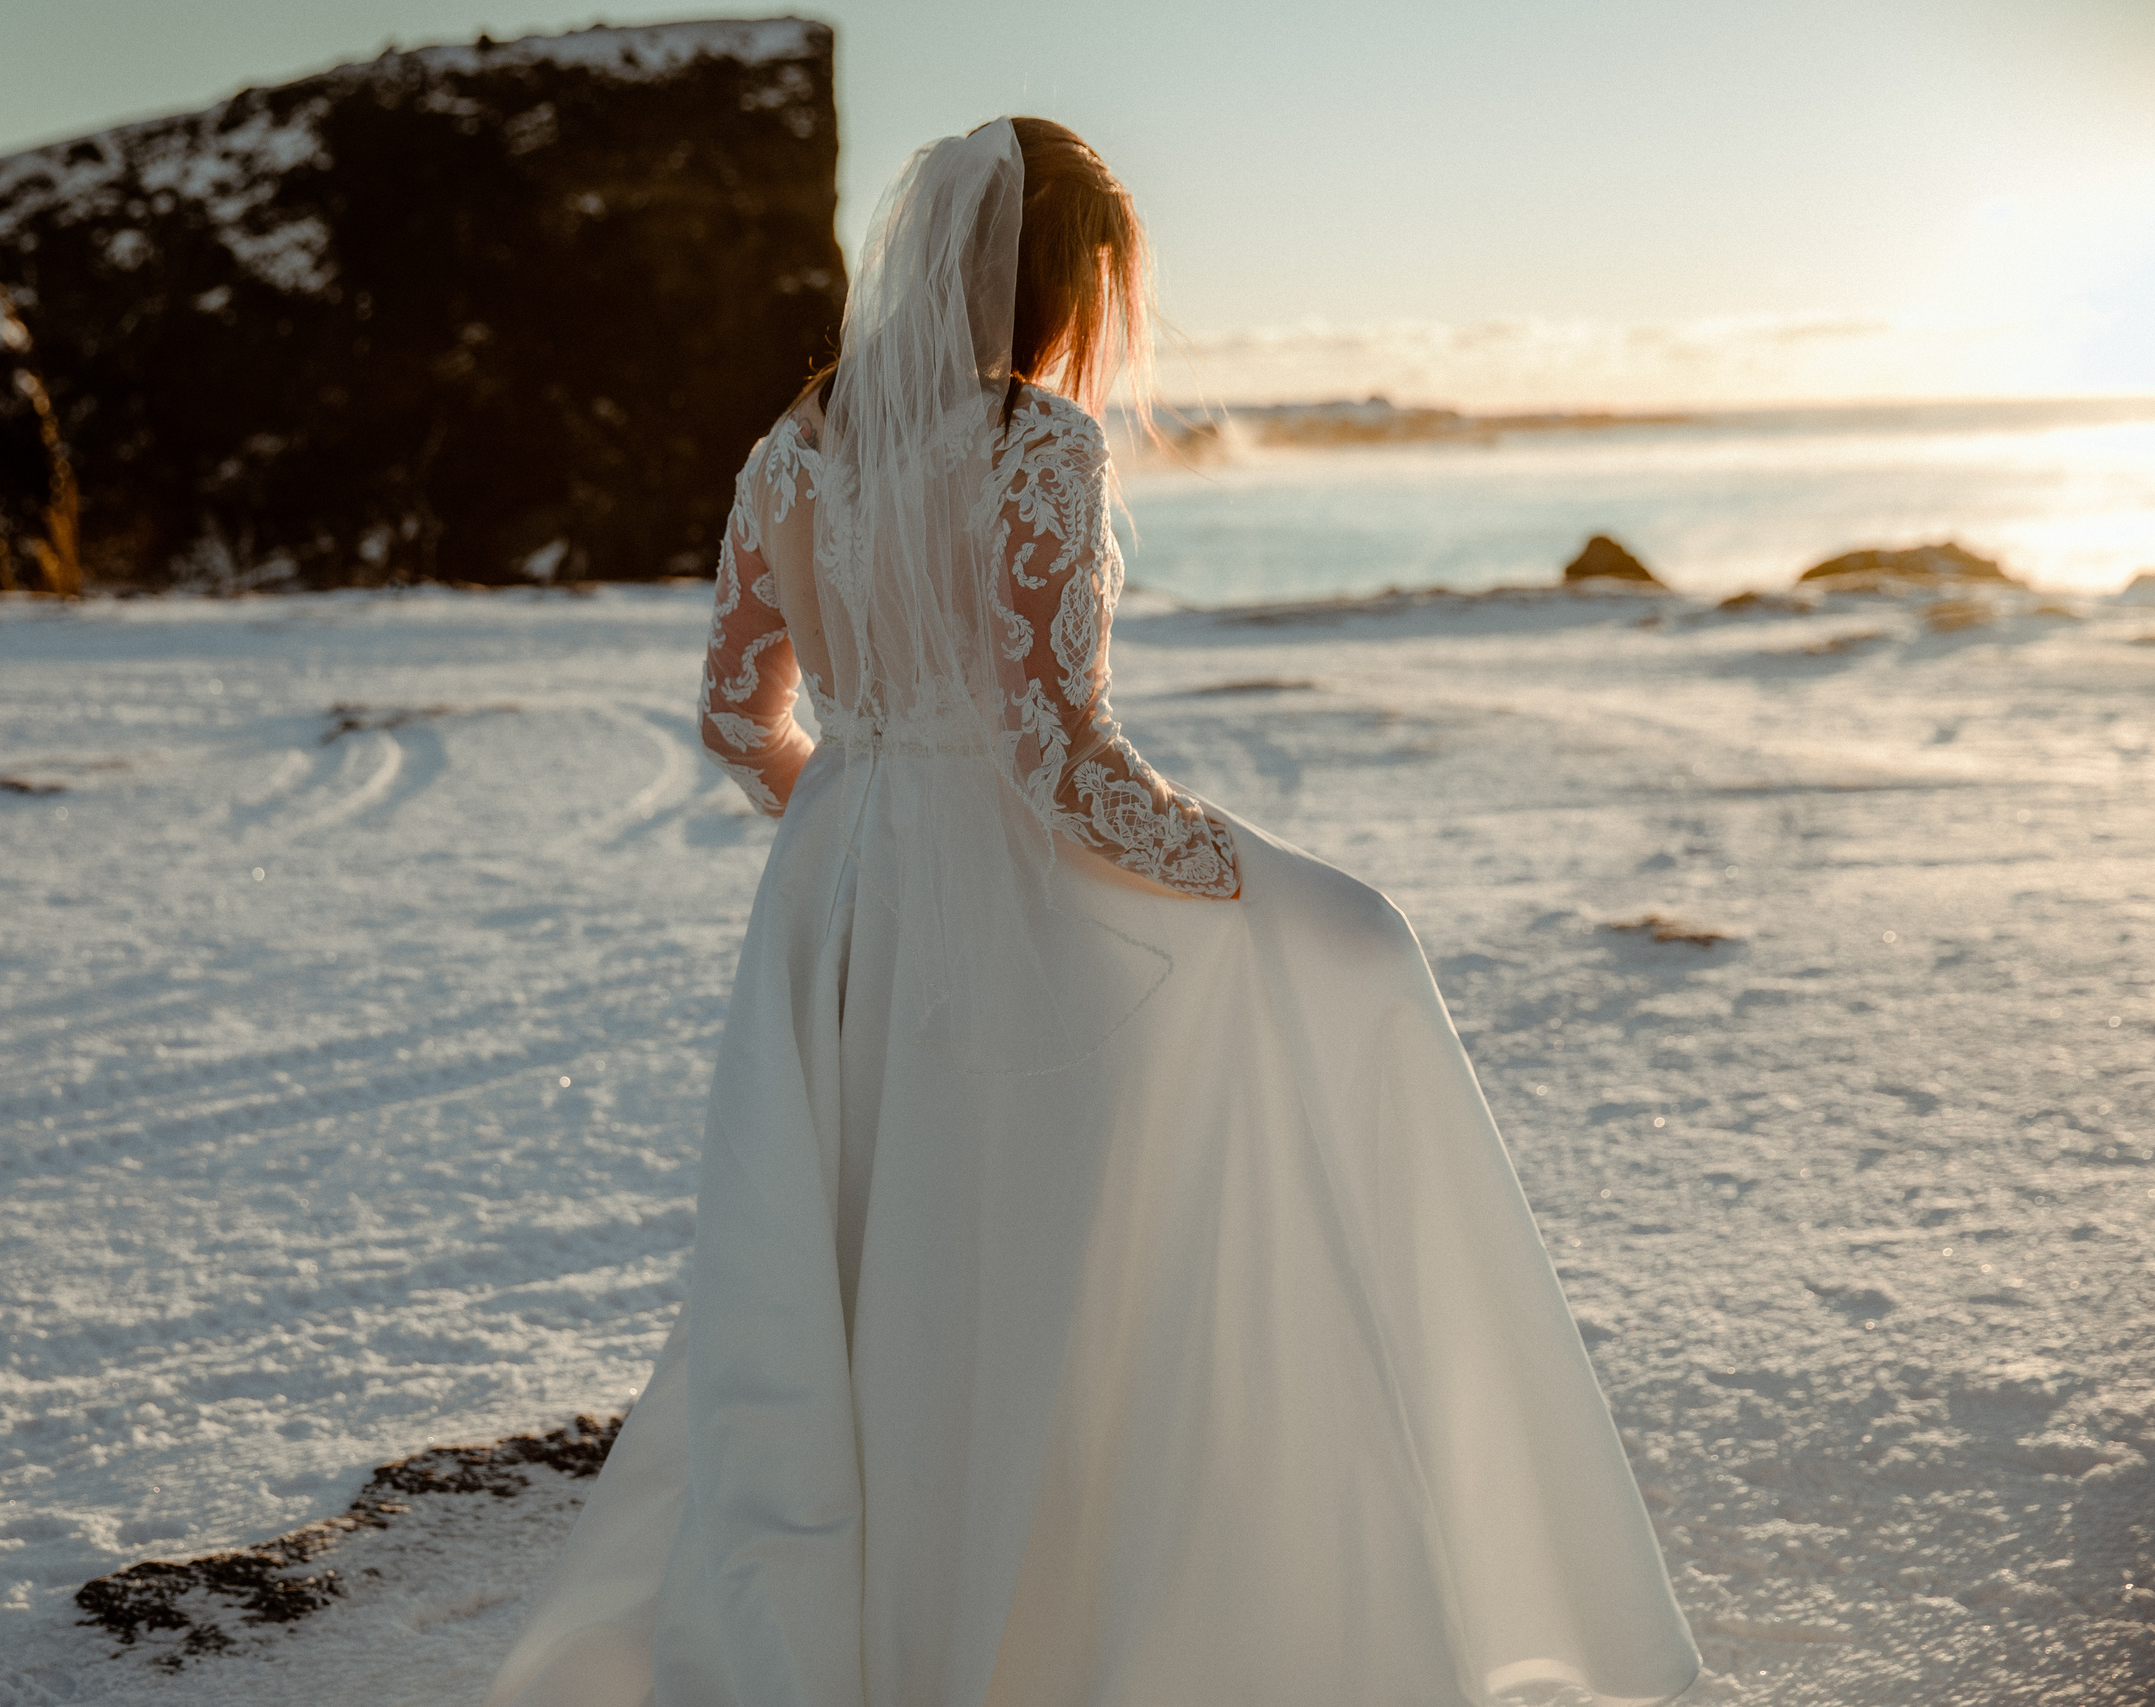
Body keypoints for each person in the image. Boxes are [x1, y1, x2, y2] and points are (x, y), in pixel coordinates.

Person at [487, 117, 1700, 1707]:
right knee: (1019, 1251)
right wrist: (1262, 880)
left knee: (843, 1264)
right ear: (1050, 284)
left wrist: (866, 816)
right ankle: (1036, 1614)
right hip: (999, 910)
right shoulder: (1036, 448)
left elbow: (733, 716)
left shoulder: (789, 451)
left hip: (830, 909)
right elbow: (1064, 769)